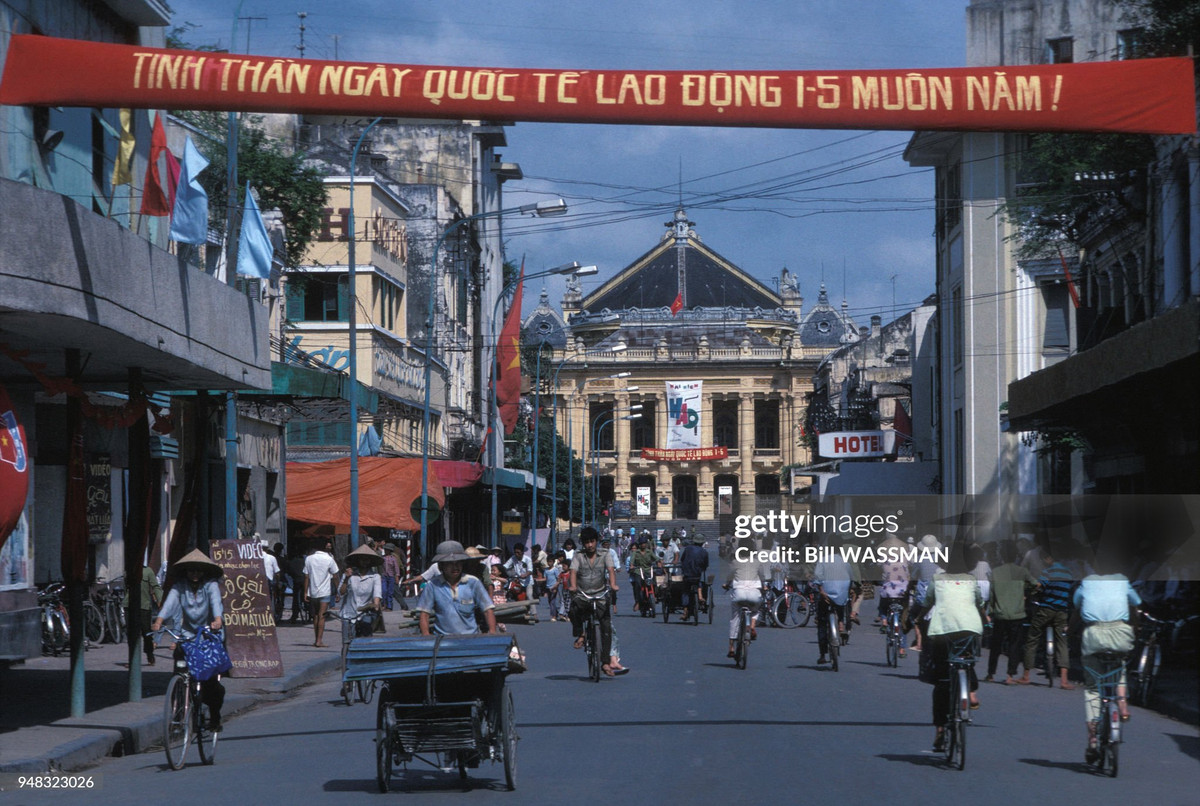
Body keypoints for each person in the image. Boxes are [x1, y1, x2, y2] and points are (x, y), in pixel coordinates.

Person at [152, 549, 227, 731]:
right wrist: (159, 620)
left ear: (204, 572)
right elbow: (170, 603)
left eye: (198, 570)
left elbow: (216, 603)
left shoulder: (210, 586)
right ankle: (178, 714)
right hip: (187, 637)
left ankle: (215, 717)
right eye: (191, 570)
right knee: (179, 673)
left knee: (210, 682)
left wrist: (218, 619)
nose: (194, 574)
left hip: (209, 634)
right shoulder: (180, 587)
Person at [922, 548, 987, 753]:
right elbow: (979, 602)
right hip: (970, 630)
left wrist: (916, 618)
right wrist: (985, 619)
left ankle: (940, 729)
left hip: (943, 631)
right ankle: (971, 690)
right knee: (966, 660)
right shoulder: (971, 581)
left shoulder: (938, 579)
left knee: (941, 682)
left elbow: (927, 602)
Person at [1075, 568, 1139, 762]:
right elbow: (1136, 602)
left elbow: (1076, 605)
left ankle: (1093, 739)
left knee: (1093, 688)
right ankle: (1122, 702)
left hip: (1094, 635)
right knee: (1120, 664)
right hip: (1121, 634)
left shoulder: (1086, 582)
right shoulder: (1123, 580)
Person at [1018, 546, 1075, 688]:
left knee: (1032, 638)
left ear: (1049, 558)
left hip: (1046, 610)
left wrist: (1030, 592)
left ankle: (1026, 675)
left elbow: (1039, 586)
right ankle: (1064, 680)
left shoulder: (1048, 572)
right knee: (1062, 642)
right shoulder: (1068, 573)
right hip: (1062, 612)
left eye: (1044, 559)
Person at [414, 540, 497, 636]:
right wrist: (426, 636)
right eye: (450, 563)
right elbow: (424, 614)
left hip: (470, 638)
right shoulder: (433, 585)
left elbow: (488, 610)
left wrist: (492, 633)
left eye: (458, 563)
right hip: (442, 639)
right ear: (441, 566)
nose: (455, 567)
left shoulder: (473, 582)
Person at [569, 527, 619, 676]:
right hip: (583, 594)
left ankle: (605, 662)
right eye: (586, 542)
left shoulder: (605, 554)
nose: (590, 545)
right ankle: (580, 633)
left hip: (600, 594)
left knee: (606, 627)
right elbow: (573, 572)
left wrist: (613, 585)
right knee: (573, 610)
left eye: (592, 541)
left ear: (596, 541)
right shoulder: (578, 555)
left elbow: (611, 570)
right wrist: (573, 586)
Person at [986, 540, 1038, 684]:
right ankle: (1010, 675)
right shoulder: (1022, 571)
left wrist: (991, 610)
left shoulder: (996, 572)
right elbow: (1036, 584)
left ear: (1002, 555)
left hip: (1000, 613)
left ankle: (991, 673)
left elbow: (992, 595)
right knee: (1014, 645)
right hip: (1017, 613)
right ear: (1016, 555)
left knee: (996, 645)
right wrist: (1026, 594)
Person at [337, 544, 383, 697]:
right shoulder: (350, 575)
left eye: (366, 559)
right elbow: (341, 593)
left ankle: (367, 672)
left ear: (370, 561)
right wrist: (346, 578)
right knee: (346, 646)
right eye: (361, 559)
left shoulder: (375, 577)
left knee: (365, 644)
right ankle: (347, 681)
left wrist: (375, 604)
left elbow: (377, 594)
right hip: (348, 613)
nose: (364, 562)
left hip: (365, 613)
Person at [724, 537, 766, 657]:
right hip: (754, 593)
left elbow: (729, 576)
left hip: (739, 593)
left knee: (735, 618)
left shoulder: (735, 562)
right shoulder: (757, 562)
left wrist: (726, 584)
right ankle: (751, 626)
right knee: (756, 609)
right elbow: (762, 576)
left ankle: (731, 647)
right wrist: (763, 586)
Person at [813, 544, 852, 665]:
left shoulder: (822, 560)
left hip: (826, 594)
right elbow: (850, 577)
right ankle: (840, 622)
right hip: (841, 594)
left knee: (821, 622)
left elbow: (817, 577)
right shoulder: (845, 562)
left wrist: (821, 591)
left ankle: (822, 654)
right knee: (841, 603)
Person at [876, 532, 910, 658]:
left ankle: (884, 620)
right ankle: (902, 648)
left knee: (882, 605)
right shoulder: (905, 560)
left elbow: (877, 567)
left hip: (888, 592)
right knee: (902, 620)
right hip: (903, 592)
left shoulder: (883, 560)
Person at [302, 540, 340, 648]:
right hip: (325, 591)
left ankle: (316, 640)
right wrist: (338, 591)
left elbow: (306, 576)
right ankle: (319, 640)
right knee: (322, 616)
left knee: (315, 616)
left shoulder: (309, 559)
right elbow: (335, 576)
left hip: (313, 591)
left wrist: (305, 592)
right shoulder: (329, 559)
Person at [124, 563, 163, 666]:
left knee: (146, 632)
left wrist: (160, 600)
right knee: (131, 633)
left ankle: (150, 654)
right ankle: (132, 659)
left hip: (144, 606)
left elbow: (155, 586)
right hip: (129, 605)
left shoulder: (148, 571)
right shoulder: (128, 571)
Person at [678, 537, 709, 620]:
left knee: (685, 591)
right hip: (697, 575)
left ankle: (685, 611)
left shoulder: (687, 549)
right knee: (699, 582)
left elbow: (682, 559)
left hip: (687, 575)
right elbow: (706, 564)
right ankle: (700, 596)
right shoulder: (704, 552)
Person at [259, 539, 281, 622]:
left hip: (257, 581)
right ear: (267, 549)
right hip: (269, 582)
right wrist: (278, 582)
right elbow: (277, 572)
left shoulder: (255, 558)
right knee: (270, 599)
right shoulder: (271, 558)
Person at [381, 544, 401, 611]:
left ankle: (389, 606)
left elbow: (396, 568)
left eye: (387, 550)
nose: (385, 551)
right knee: (384, 591)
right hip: (384, 576)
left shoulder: (393, 559)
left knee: (390, 592)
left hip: (391, 577)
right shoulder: (382, 558)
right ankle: (383, 604)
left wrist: (397, 577)